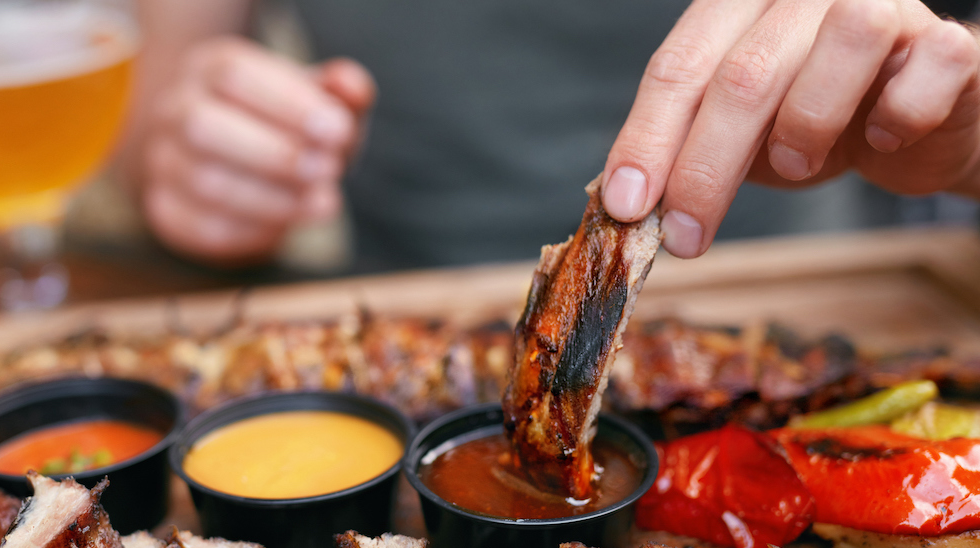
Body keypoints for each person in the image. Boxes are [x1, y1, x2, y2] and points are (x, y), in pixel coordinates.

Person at [121, 0, 980, 270]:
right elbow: (145, 101)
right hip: (399, 306)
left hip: (803, 286)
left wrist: (966, 147)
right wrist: (192, 152)